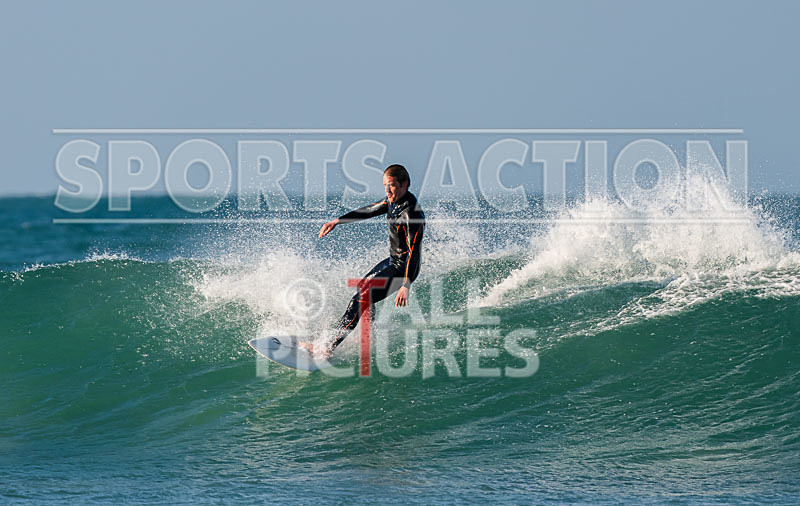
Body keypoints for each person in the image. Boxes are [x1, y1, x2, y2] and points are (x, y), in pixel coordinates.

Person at [300, 164, 425, 358]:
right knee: (362, 289)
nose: (387, 190)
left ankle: (327, 347)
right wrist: (337, 221)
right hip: (393, 262)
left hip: (404, 269)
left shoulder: (412, 214)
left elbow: (413, 252)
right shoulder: (393, 201)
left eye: (391, 185)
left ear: (405, 184)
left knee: (359, 298)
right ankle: (369, 334)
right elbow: (369, 210)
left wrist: (406, 284)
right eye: (385, 185)